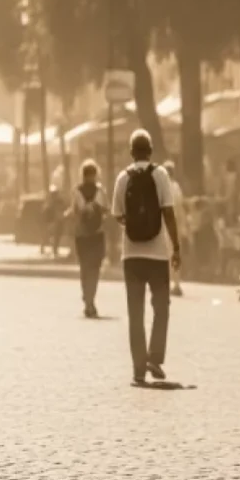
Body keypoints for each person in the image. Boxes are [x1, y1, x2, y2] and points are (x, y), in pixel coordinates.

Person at [112, 130, 181, 385]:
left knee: (135, 313)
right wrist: (176, 247)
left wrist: (134, 225)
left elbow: (117, 214)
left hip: (131, 256)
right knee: (161, 308)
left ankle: (138, 369)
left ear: (131, 151)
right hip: (157, 255)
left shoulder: (123, 178)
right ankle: (155, 356)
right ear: (150, 150)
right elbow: (169, 213)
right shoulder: (161, 175)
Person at [73, 161, 107, 319]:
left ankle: (86, 296)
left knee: (84, 268)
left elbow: (76, 211)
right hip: (97, 236)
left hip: (81, 236)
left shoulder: (76, 192)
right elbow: (104, 212)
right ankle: (90, 300)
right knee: (94, 269)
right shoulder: (100, 191)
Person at [162, 161, 186, 297]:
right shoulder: (176, 187)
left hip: (162, 225)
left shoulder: (160, 187)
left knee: (163, 255)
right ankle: (176, 284)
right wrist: (183, 226)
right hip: (174, 225)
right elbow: (180, 207)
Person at [41, 186, 68, 259]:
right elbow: (46, 211)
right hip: (52, 221)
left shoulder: (60, 201)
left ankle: (54, 249)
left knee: (57, 235)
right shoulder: (49, 202)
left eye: (55, 193)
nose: (54, 195)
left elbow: (65, 208)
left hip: (59, 220)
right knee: (49, 235)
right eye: (53, 194)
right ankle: (44, 248)